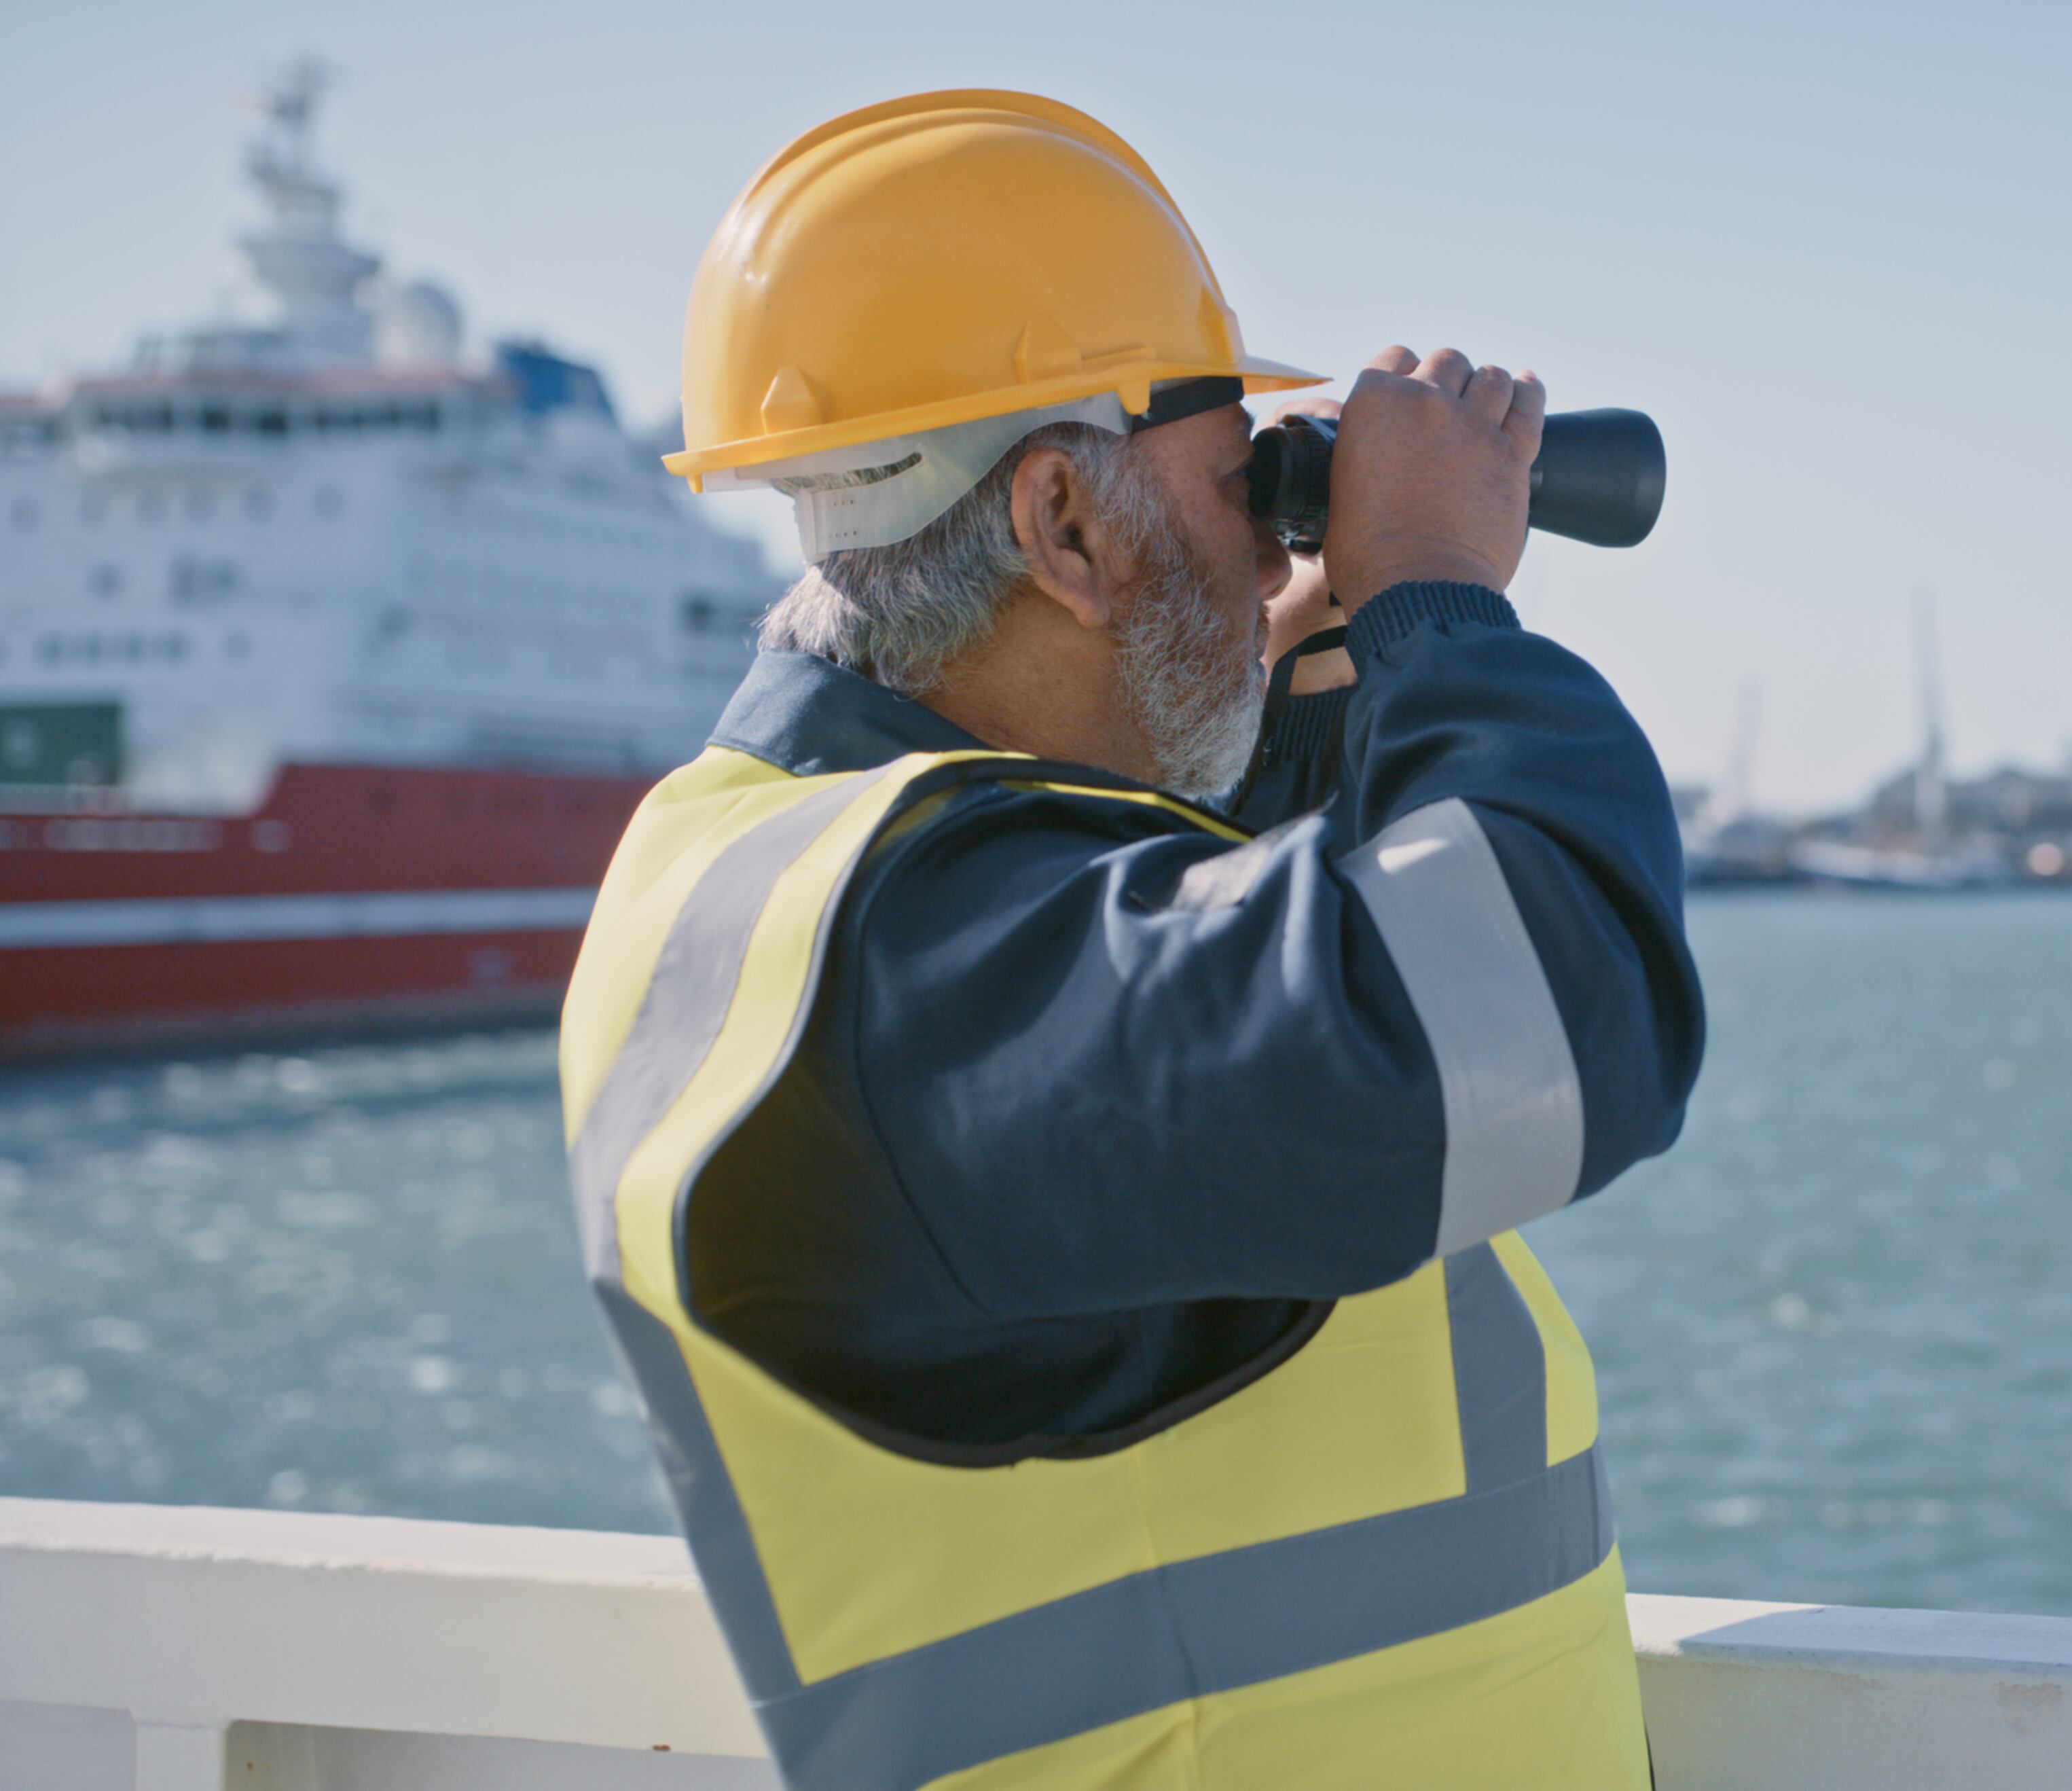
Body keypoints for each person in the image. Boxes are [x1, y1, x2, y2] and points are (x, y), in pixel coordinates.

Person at [557, 89, 1701, 1791]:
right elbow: (1540, 1010)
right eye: (1242, 475)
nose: (1269, 539)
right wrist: (1435, 601)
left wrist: (1294, 697)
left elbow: (1178, 1042)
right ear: (1063, 527)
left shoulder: (807, 882)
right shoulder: (916, 968)